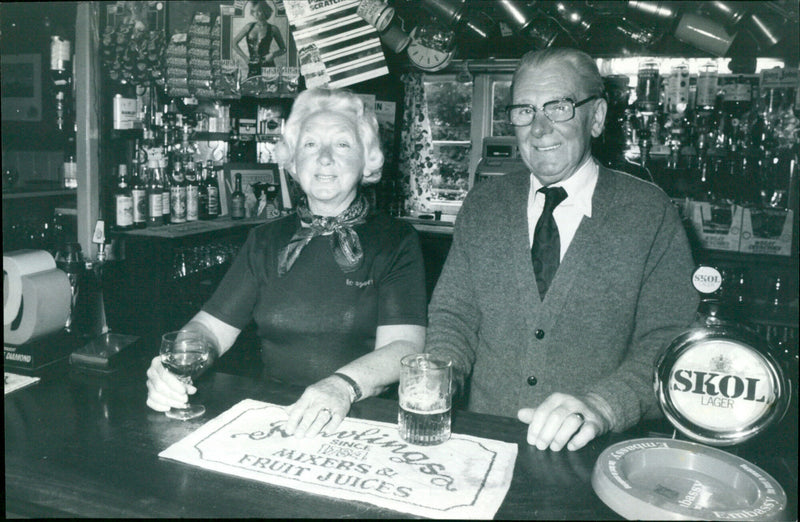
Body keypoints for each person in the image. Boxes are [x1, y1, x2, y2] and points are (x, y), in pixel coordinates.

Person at [424, 47, 699, 452]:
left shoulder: (648, 213)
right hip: (485, 444)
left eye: (558, 107)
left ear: (597, 117)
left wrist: (602, 406)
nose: (539, 128)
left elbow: (669, 340)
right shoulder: (484, 206)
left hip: (592, 453)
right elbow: (454, 317)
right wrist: (438, 380)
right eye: (525, 110)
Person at [147, 88, 427, 438]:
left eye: (342, 144)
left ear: (368, 160)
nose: (324, 157)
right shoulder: (265, 240)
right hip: (276, 418)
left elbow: (405, 347)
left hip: (361, 420)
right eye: (310, 145)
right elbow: (210, 329)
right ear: (293, 163)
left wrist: (340, 387)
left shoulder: (396, 240)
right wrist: (173, 364)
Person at [233, 0, 287, 78]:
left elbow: (284, 49)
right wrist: (245, 58)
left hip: (268, 66)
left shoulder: (273, 29)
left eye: (259, 11)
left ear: (265, 12)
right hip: (253, 65)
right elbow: (234, 43)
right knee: (253, 87)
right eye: (254, 11)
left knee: (270, 88)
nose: (256, 14)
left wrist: (273, 55)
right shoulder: (249, 27)